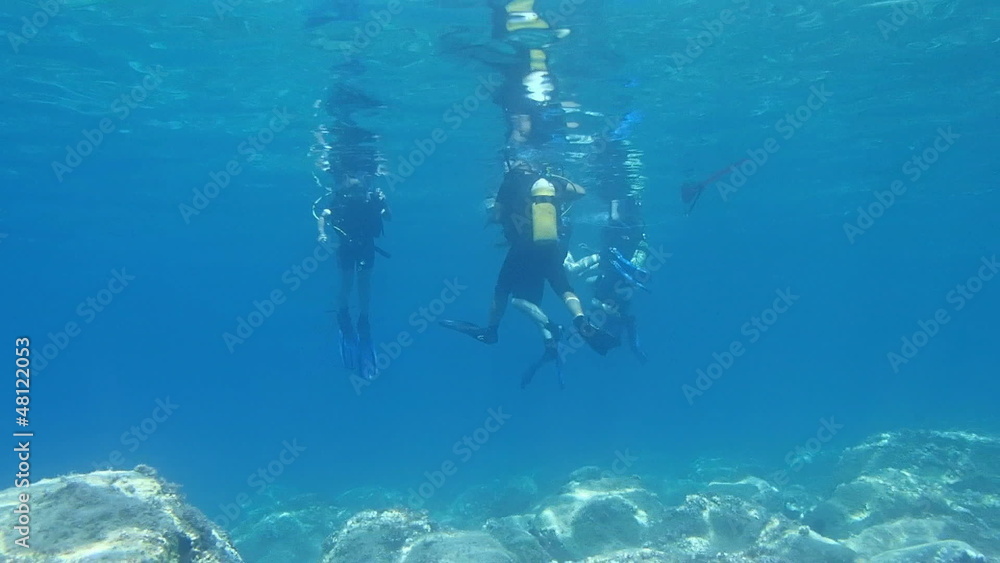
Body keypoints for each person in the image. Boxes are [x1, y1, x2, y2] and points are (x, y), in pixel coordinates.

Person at [439, 156, 619, 364]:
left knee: (502, 289)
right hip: (551, 244)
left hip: (523, 245)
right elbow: (581, 192)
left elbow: (497, 216)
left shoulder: (511, 180)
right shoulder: (549, 182)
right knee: (562, 286)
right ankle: (580, 321)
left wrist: (503, 211)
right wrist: (556, 181)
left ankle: (491, 331)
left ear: (519, 165)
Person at [316, 173, 391, 380]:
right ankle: (344, 314)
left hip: (366, 247)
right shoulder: (341, 201)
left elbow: (388, 217)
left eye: (360, 188)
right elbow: (323, 215)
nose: (357, 192)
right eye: (354, 189)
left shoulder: (373, 200)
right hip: (347, 249)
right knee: (347, 283)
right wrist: (321, 232)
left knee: (364, 284)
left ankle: (363, 319)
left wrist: (384, 203)